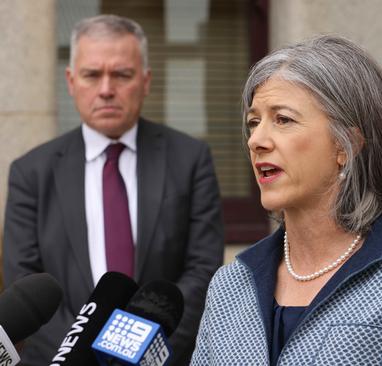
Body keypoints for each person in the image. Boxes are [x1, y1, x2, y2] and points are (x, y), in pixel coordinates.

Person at [191, 35, 382, 365]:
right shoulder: (230, 284)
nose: (256, 140)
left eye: (282, 119)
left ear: (347, 145)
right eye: (253, 122)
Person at [2, 14, 224, 365]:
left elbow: (202, 272)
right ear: (71, 81)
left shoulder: (190, 159)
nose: (106, 89)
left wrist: (139, 355)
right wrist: (83, 358)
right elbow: (26, 283)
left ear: (146, 81)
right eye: (92, 75)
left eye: (122, 74)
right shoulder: (31, 172)